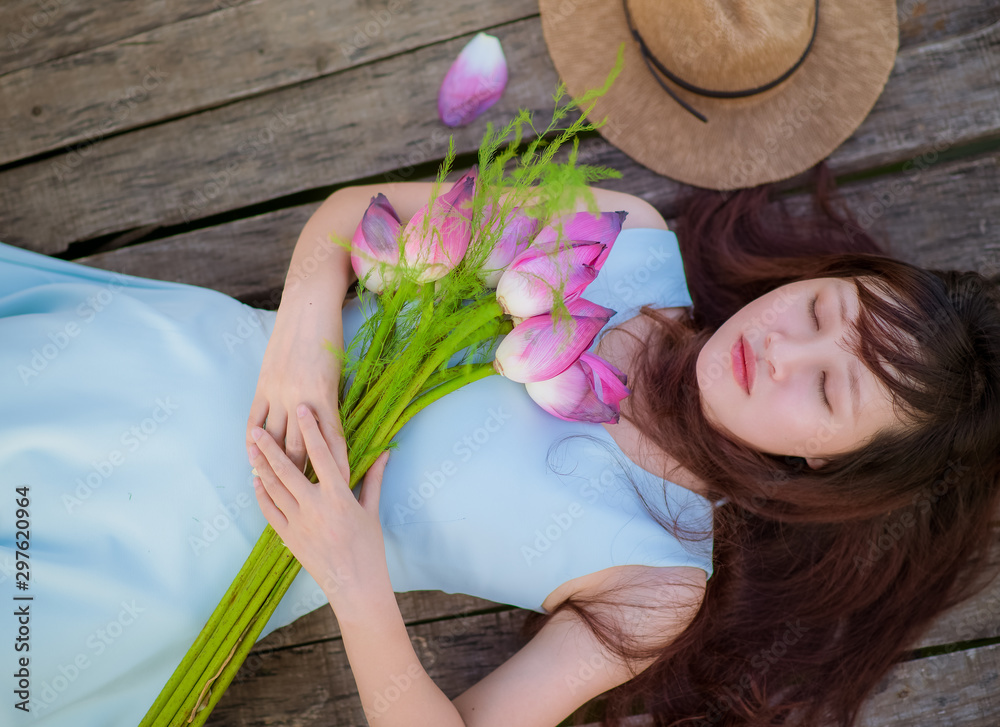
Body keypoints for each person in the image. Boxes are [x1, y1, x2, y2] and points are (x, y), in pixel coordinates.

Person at [1, 166, 997, 727]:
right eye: (822, 309)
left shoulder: (657, 578)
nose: (783, 349)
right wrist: (303, 342)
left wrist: (354, 577)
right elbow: (358, 220)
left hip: (212, 564)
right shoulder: (626, 239)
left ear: (830, 465)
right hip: (191, 365)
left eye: (827, 387)